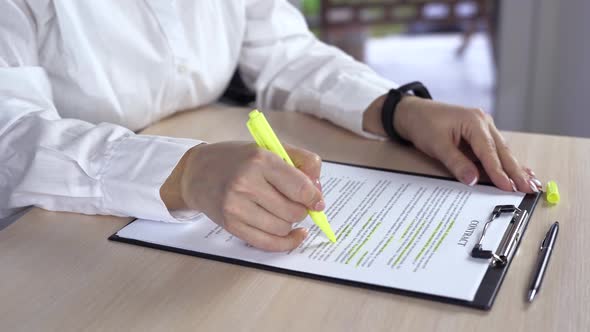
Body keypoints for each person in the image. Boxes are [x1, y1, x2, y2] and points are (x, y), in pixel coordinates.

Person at [0, 1, 541, 251]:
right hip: (52, 237)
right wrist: (180, 173)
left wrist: (397, 108)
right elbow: (10, 136)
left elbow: (284, 52)